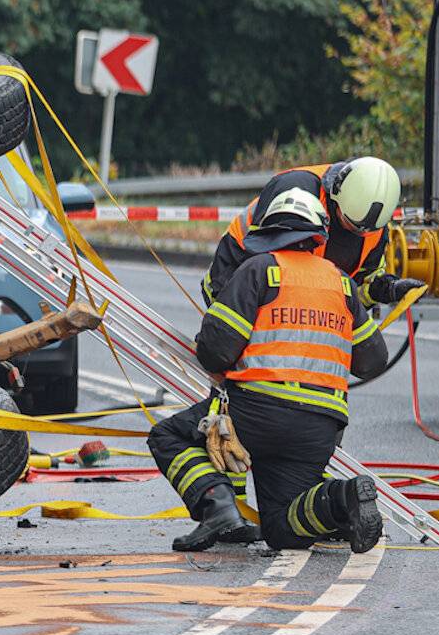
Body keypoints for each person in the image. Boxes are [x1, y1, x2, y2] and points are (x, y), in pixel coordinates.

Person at [150, 187, 389, 554]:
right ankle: (344, 498)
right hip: (319, 426)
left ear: (269, 231)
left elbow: (214, 350)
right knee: (281, 530)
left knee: (169, 436)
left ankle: (218, 509)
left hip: (256, 414)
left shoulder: (260, 270)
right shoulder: (342, 283)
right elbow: (372, 359)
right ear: (317, 234)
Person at [203, 157, 418, 306]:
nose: (356, 233)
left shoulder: (374, 228)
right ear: (336, 194)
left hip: (301, 315)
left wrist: (384, 290)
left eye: (362, 231)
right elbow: (263, 273)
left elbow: (354, 294)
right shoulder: (296, 192)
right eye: (348, 223)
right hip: (232, 281)